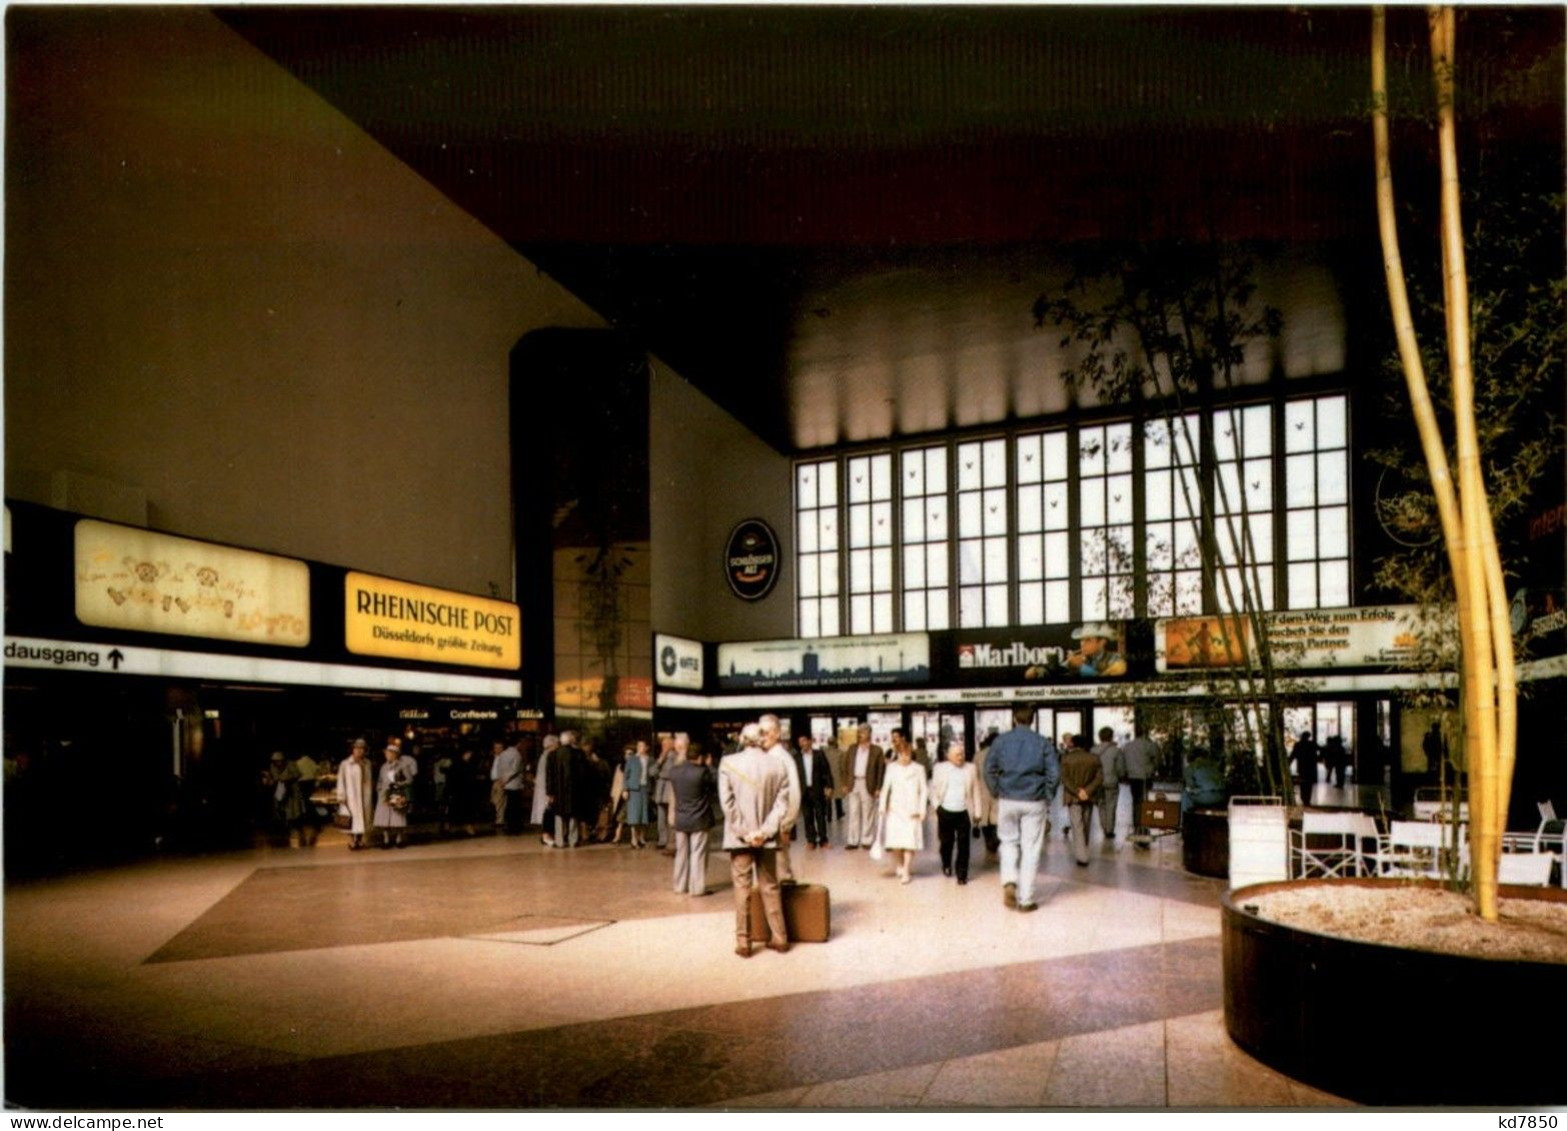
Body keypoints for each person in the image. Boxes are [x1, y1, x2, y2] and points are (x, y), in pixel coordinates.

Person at [718, 723, 793, 958]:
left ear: (742, 738)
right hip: (767, 839)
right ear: (761, 739)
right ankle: (780, 938)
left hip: (739, 840)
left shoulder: (728, 763)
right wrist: (764, 831)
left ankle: (744, 943)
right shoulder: (778, 765)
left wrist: (745, 832)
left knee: (742, 889)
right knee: (770, 886)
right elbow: (782, 804)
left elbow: (727, 804)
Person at [982, 704, 1055, 913]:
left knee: (1008, 843)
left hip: (1007, 799)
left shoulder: (1001, 741)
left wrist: (997, 790)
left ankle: (1009, 881)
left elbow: (989, 769)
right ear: (1032, 720)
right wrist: (1047, 796)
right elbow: (1054, 774)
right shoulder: (1042, 743)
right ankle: (1026, 900)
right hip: (1034, 800)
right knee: (1030, 849)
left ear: (1014, 718)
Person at [929, 740, 984, 884]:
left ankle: (962, 874)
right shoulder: (939, 768)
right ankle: (946, 863)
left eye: (962, 754)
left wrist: (978, 812)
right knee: (946, 842)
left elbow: (976, 791)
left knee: (964, 844)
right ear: (949, 756)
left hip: (964, 811)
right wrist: (937, 808)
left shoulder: (971, 768)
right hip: (945, 810)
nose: (961, 757)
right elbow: (933, 790)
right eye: (957, 754)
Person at [667, 742, 717, 895]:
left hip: (681, 818)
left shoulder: (674, 771)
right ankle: (697, 888)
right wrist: (710, 766)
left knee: (681, 854)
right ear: (701, 757)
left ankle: (679, 886)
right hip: (700, 819)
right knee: (698, 854)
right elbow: (716, 783)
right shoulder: (703, 772)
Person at [878, 735, 929, 884]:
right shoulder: (891, 768)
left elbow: (924, 790)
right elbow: (885, 788)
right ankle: (899, 863)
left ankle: (906, 869)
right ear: (898, 754)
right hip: (895, 809)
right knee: (895, 842)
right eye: (902, 754)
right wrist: (882, 806)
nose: (905, 757)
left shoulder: (919, 769)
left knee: (910, 841)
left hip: (912, 810)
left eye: (908, 754)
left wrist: (922, 809)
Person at [759, 715, 802, 882]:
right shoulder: (765, 756)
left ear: (777, 734)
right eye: (760, 733)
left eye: (766, 732)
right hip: (766, 824)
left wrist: (786, 825)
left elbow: (793, 793)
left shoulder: (783, 758)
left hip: (778, 824)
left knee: (781, 872)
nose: (762, 737)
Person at [1060, 734, 1104, 866]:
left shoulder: (1066, 759)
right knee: (1086, 824)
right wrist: (1087, 791)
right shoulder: (1094, 759)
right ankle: (1083, 850)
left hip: (1073, 796)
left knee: (1077, 826)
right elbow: (1099, 778)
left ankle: (1082, 856)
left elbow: (1065, 779)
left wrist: (1077, 791)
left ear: (1073, 743)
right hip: (1089, 797)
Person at [844, 724, 886, 850]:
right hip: (854, 782)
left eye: (862, 732)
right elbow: (846, 767)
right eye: (858, 732)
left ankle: (867, 840)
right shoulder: (852, 749)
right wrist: (845, 783)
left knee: (868, 812)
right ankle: (852, 840)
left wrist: (878, 787)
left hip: (869, 783)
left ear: (869, 734)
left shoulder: (877, 750)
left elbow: (880, 770)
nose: (859, 734)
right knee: (853, 811)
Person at [374, 740, 418, 849]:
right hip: (384, 795)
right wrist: (379, 789)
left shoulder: (402, 765)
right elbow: (380, 779)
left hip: (397, 793)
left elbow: (410, 780)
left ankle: (399, 839)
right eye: (386, 753)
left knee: (397, 817)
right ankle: (386, 839)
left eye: (389, 753)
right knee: (384, 818)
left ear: (394, 754)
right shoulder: (383, 767)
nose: (387, 755)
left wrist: (399, 784)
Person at [794, 734, 835, 848]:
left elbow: (826, 771)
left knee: (820, 815)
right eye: (800, 742)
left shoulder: (819, 754)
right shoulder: (797, 757)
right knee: (807, 816)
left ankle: (823, 839)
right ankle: (811, 840)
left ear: (810, 741)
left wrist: (829, 786)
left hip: (817, 789)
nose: (802, 744)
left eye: (804, 740)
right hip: (804, 790)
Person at [1120, 726, 1159, 842]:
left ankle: (1136, 822)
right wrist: (1153, 769)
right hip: (1145, 776)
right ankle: (1143, 822)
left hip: (1132, 776)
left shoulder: (1128, 746)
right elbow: (1157, 759)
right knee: (1144, 799)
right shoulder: (1149, 745)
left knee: (1135, 800)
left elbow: (1124, 761)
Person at [335, 737, 375, 851]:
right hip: (351, 795)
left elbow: (369, 779)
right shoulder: (345, 764)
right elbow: (340, 780)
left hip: (364, 795)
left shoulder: (367, 763)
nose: (359, 751)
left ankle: (360, 840)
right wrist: (341, 795)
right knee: (351, 819)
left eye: (362, 749)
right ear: (353, 749)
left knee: (364, 818)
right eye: (357, 748)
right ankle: (352, 841)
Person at [548, 729, 583, 848]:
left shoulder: (552, 755)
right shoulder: (579, 754)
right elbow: (583, 775)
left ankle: (560, 841)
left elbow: (550, 776)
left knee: (559, 815)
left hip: (558, 791)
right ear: (571, 740)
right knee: (573, 815)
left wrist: (550, 793)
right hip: (575, 790)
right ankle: (573, 839)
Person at [1091, 726, 1125, 841]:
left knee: (1101, 805)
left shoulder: (1093, 750)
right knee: (1111, 805)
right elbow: (1120, 769)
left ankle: (1104, 826)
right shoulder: (1116, 750)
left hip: (1098, 782)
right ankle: (1109, 830)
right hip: (1111, 782)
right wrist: (1121, 776)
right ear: (1111, 736)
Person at [974, 729, 1001, 856]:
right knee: (996, 817)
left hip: (982, 790)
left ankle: (989, 840)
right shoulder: (1003, 755)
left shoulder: (979, 755)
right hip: (998, 790)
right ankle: (994, 840)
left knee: (985, 818)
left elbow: (975, 775)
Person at [621, 738, 652, 848]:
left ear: (647, 748)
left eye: (642, 746)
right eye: (638, 746)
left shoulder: (650, 760)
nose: (640, 748)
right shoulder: (632, 759)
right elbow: (626, 775)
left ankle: (641, 837)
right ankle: (633, 838)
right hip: (634, 789)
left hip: (645, 788)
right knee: (634, 814)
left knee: (644, 814)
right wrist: (625, 789)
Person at [490, 738, 524, 834]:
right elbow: (515, 769)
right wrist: (505, 779)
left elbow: (502, 769)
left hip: (503, 782)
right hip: (510, 783)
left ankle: (504, 823)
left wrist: (502, 779)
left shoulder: (504, 754)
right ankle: (513, 826)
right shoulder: (516, 754)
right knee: (511, 805)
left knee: (506, 804)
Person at [531, 734, 558, 840]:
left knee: (546, 811)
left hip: (544, 788)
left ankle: (547, 834)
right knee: (548, 811)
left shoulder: (544, 756)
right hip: (547, 789)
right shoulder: (549, 756)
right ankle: (546, 835)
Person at [1292, 729, 1320, 805]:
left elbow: (1293, 755)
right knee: (1309, 784)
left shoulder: (1298, 744)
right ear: (1308, 737)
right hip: (1310, 767)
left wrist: (1289, 763)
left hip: (1301, 767)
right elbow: (1321, 750)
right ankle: (1307, 799)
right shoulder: (1312, 744)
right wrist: (1317, 758)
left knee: (1303, 783)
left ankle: (1303, 798)